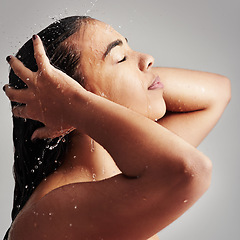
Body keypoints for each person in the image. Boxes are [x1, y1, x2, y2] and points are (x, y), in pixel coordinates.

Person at [3, 16, 230, 240]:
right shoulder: (52, 210)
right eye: (121, 58)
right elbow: (191, 171)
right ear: (72, 97)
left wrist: (73, 103)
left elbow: (217, 92)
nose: (148, 59)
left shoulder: (127, 167)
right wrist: (73, 103)